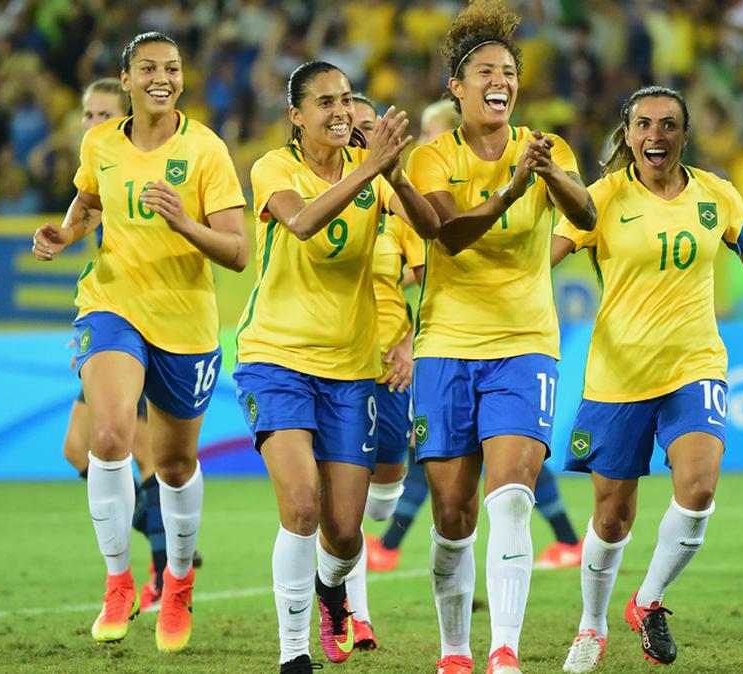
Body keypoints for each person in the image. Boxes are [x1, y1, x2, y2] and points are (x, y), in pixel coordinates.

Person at [551, 86, 743, 672]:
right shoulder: (599, 199)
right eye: (644, 124)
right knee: (611, 517)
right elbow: (540, 259)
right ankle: (591, 627)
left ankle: (647, 600)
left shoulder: (716, 195)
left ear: (684, 133)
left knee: (699, 488)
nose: (656, 134)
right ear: (627, 135)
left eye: (669, 124)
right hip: (619, 377)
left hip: (694, 364)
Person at [31, 32, 249, 653]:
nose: (163, 77)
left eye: (173, 68)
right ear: (125, 79)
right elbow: (89, 196)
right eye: (149, 68)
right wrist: (67, 235)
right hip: (111, 306)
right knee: (107, 437)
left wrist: (184, 221)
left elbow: (237, 252)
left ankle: (177, 583)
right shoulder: (100, 142)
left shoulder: (205, 150)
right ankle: (119, 581)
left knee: (176, 466)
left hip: (185, 322)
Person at [405, 2, 597, 672]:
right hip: (446, 347)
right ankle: (454, 649)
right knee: (452, 515)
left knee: (512, 497)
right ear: (455, 89)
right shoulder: (431, 157)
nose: (500, 79)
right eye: (485, 70)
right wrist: (514, 189)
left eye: (508, 71)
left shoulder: (545, 149)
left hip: (525, 344)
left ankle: (504, 654)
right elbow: (448, 234)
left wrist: (549, 177)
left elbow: (588, 212)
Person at [233, 62, 438, 673]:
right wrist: (372, 169)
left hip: (352, 372)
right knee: (300, 505)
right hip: (276, 359)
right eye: (324, 102)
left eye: (346, 100)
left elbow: (432, 235)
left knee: (345, 532)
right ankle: (293, 653)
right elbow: (302, 221)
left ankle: (331, 588)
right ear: (296, 116)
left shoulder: (372, 173)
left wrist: (396, 176)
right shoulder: (275, 168)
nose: (340, 112)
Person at [367, 97, 584, 575]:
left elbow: (430, 260)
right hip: (448, 347)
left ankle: (391, 541)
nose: (425, 142)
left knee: (503, 475)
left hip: (501, 337)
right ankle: (568, 537)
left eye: (431, 131)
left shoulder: (488, 166)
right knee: (463, 480)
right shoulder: (424, 177)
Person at [57, 78, 198, 616]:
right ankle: (163, 549)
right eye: (87, 113)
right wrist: (63, 235)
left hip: (152, 324)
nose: (93, 123)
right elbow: (86, 214)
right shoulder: (101, 167)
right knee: (83, 447)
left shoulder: (146, 159)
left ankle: (167, 566)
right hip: (110, 320)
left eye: (103, 113)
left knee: (145, 455)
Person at [336, 93, 426, 652]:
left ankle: (345, 583)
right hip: (333, 361)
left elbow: (436, 280)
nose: (363, 135)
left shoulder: (396, 203)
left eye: (372, 128)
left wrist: (411, 343)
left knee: (382, 499)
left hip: (389, 367)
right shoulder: (315, 191)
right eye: (355, 127)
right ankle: (355, 614)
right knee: (336, 503)